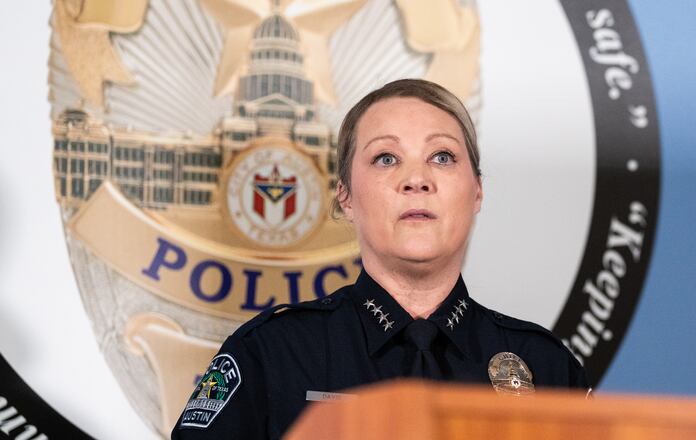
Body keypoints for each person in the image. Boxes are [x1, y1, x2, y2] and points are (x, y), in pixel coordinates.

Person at [171, 79, 588, 439]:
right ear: (346, 197)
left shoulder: (546, 369)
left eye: (442, 157)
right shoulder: (271, 354)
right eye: (386, 158)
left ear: (476, 191)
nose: (417, 180)